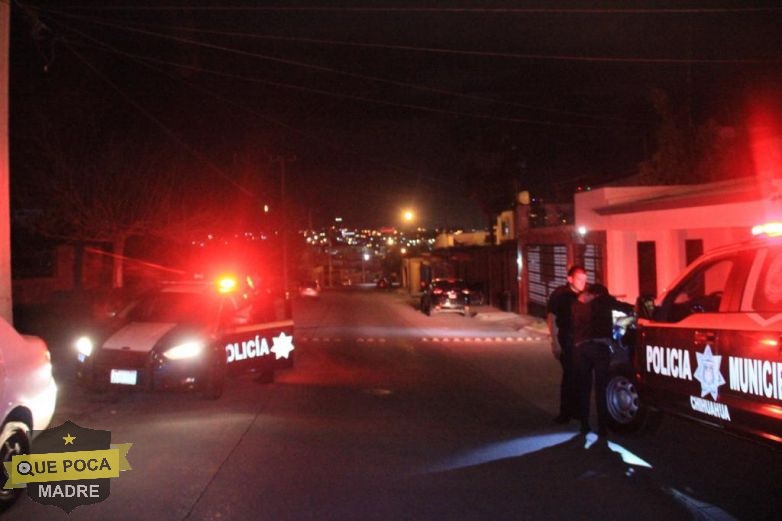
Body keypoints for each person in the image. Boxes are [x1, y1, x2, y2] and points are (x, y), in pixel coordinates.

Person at [572, 283, 634, 436]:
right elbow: (626, 308)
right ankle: (602, 426)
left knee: (584, 387)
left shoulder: (576, 307)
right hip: (600, 348)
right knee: (601, 388)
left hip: (581, 349)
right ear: (600, 294)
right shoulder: (604, 301)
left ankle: (584, 425)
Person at [546, 265, 588, 424]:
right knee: (570, 376)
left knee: (581, 377)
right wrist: (555, 342)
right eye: (579, 279)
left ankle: (577, 411)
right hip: (567, 340)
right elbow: (552, 318)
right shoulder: (560, 295)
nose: (583, 282)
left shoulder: (585, 294)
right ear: (569, 279)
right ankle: (565, 412)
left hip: (583, 341)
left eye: (585, 279)